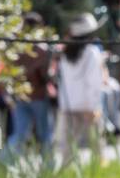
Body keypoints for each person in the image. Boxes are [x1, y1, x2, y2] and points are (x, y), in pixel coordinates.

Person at [6, 12, 56, 159]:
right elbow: (45, 75)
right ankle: (48, 169)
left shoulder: (17, 48)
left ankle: (4, 164)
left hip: (21, 96)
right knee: (45, 134)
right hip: (39, 96)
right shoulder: (41, 49)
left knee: (19, 134)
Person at [57, 13, 105, 155]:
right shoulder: (92, 52)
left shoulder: (65, 54)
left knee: (69, 145)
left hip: (69, 104)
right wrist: (93, 104)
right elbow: (94, 80)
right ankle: (99, 168)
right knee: (96, 142)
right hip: (88, 104)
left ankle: (66, 172)